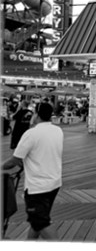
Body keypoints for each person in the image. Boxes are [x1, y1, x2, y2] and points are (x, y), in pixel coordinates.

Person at [2, 102, 63, 240]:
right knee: (38, 220)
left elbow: (14, 160)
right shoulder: (58, 131)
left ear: (37, 115)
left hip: (37, 188)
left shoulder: (31, 134)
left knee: (40, 222)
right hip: (54, 183)